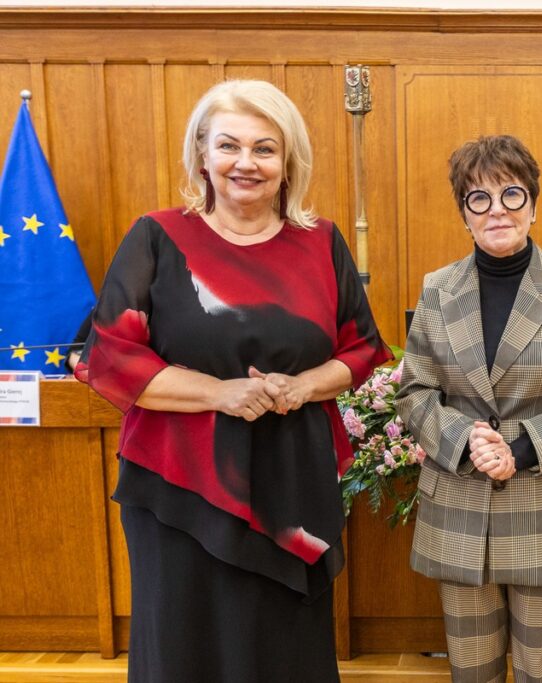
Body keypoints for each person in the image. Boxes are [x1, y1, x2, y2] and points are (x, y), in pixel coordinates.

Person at [74, 80, 391, 683]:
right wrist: (221, 393)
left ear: (288, 161)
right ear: (201, 154)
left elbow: (362, 349)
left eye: (265, 148)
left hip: (291, 481)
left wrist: (302, 387)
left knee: (284, 645)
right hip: (181, 483)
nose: (246, 162)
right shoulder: (157, 236)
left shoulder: (321, 241)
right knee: (184, 643)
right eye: (229, 145)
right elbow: (110, 356)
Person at [395, 134, 542, 683]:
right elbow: (415, 392)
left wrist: (521, 449)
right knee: (472, 669)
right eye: (479, 198)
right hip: (461, 504)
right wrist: (465, 441)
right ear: (463, 214)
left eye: (511, 195)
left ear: (533, 205)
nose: (497, 210)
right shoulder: (437, 289)